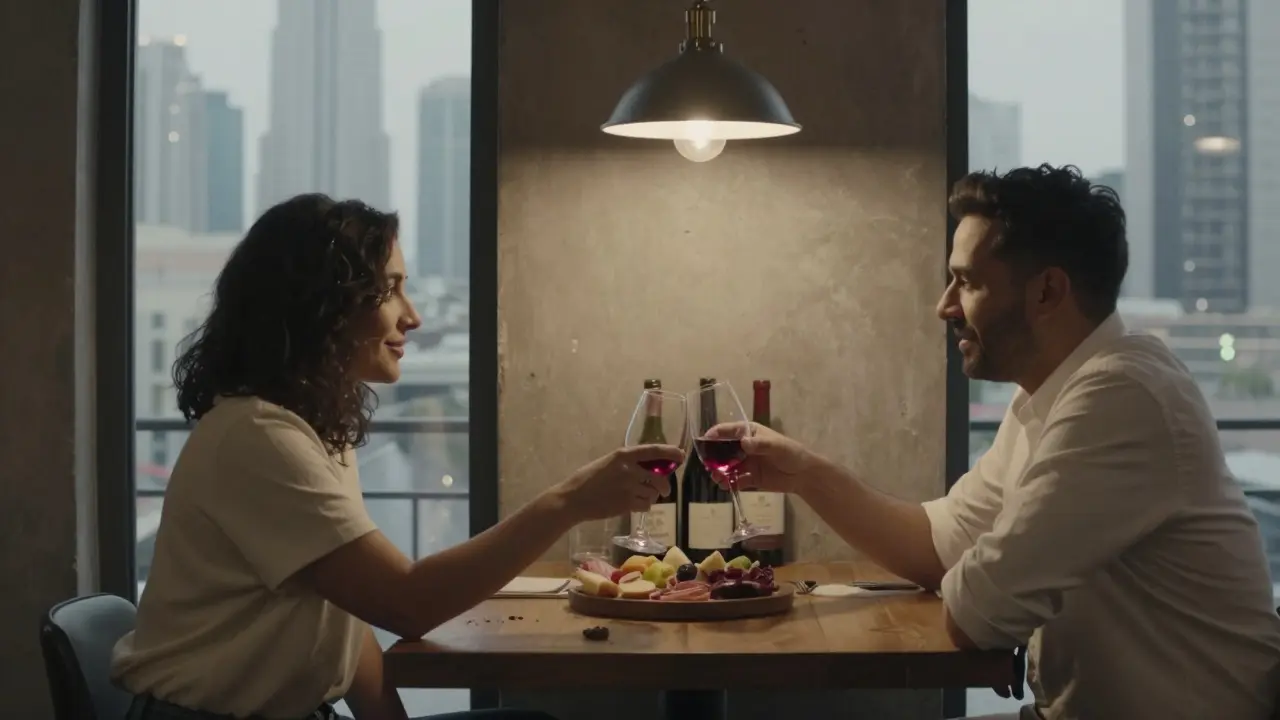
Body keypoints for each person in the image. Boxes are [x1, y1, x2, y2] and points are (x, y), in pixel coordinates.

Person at [713, 164, 1280, 719]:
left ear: (1047, 291)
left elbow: (979, 612)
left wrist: (981, 576)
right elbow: (938, 546)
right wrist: (805, 474)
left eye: (968, 281)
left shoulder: (1121, 397)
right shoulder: (1049, 394)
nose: (945, 306)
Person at [111, 194, 683, 720]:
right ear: (322, 307)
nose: (413, 316)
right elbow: (406, 602)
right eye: (390, 290)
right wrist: (568, 502)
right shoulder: (258, 438)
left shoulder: (308, 431)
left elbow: (349, 614)